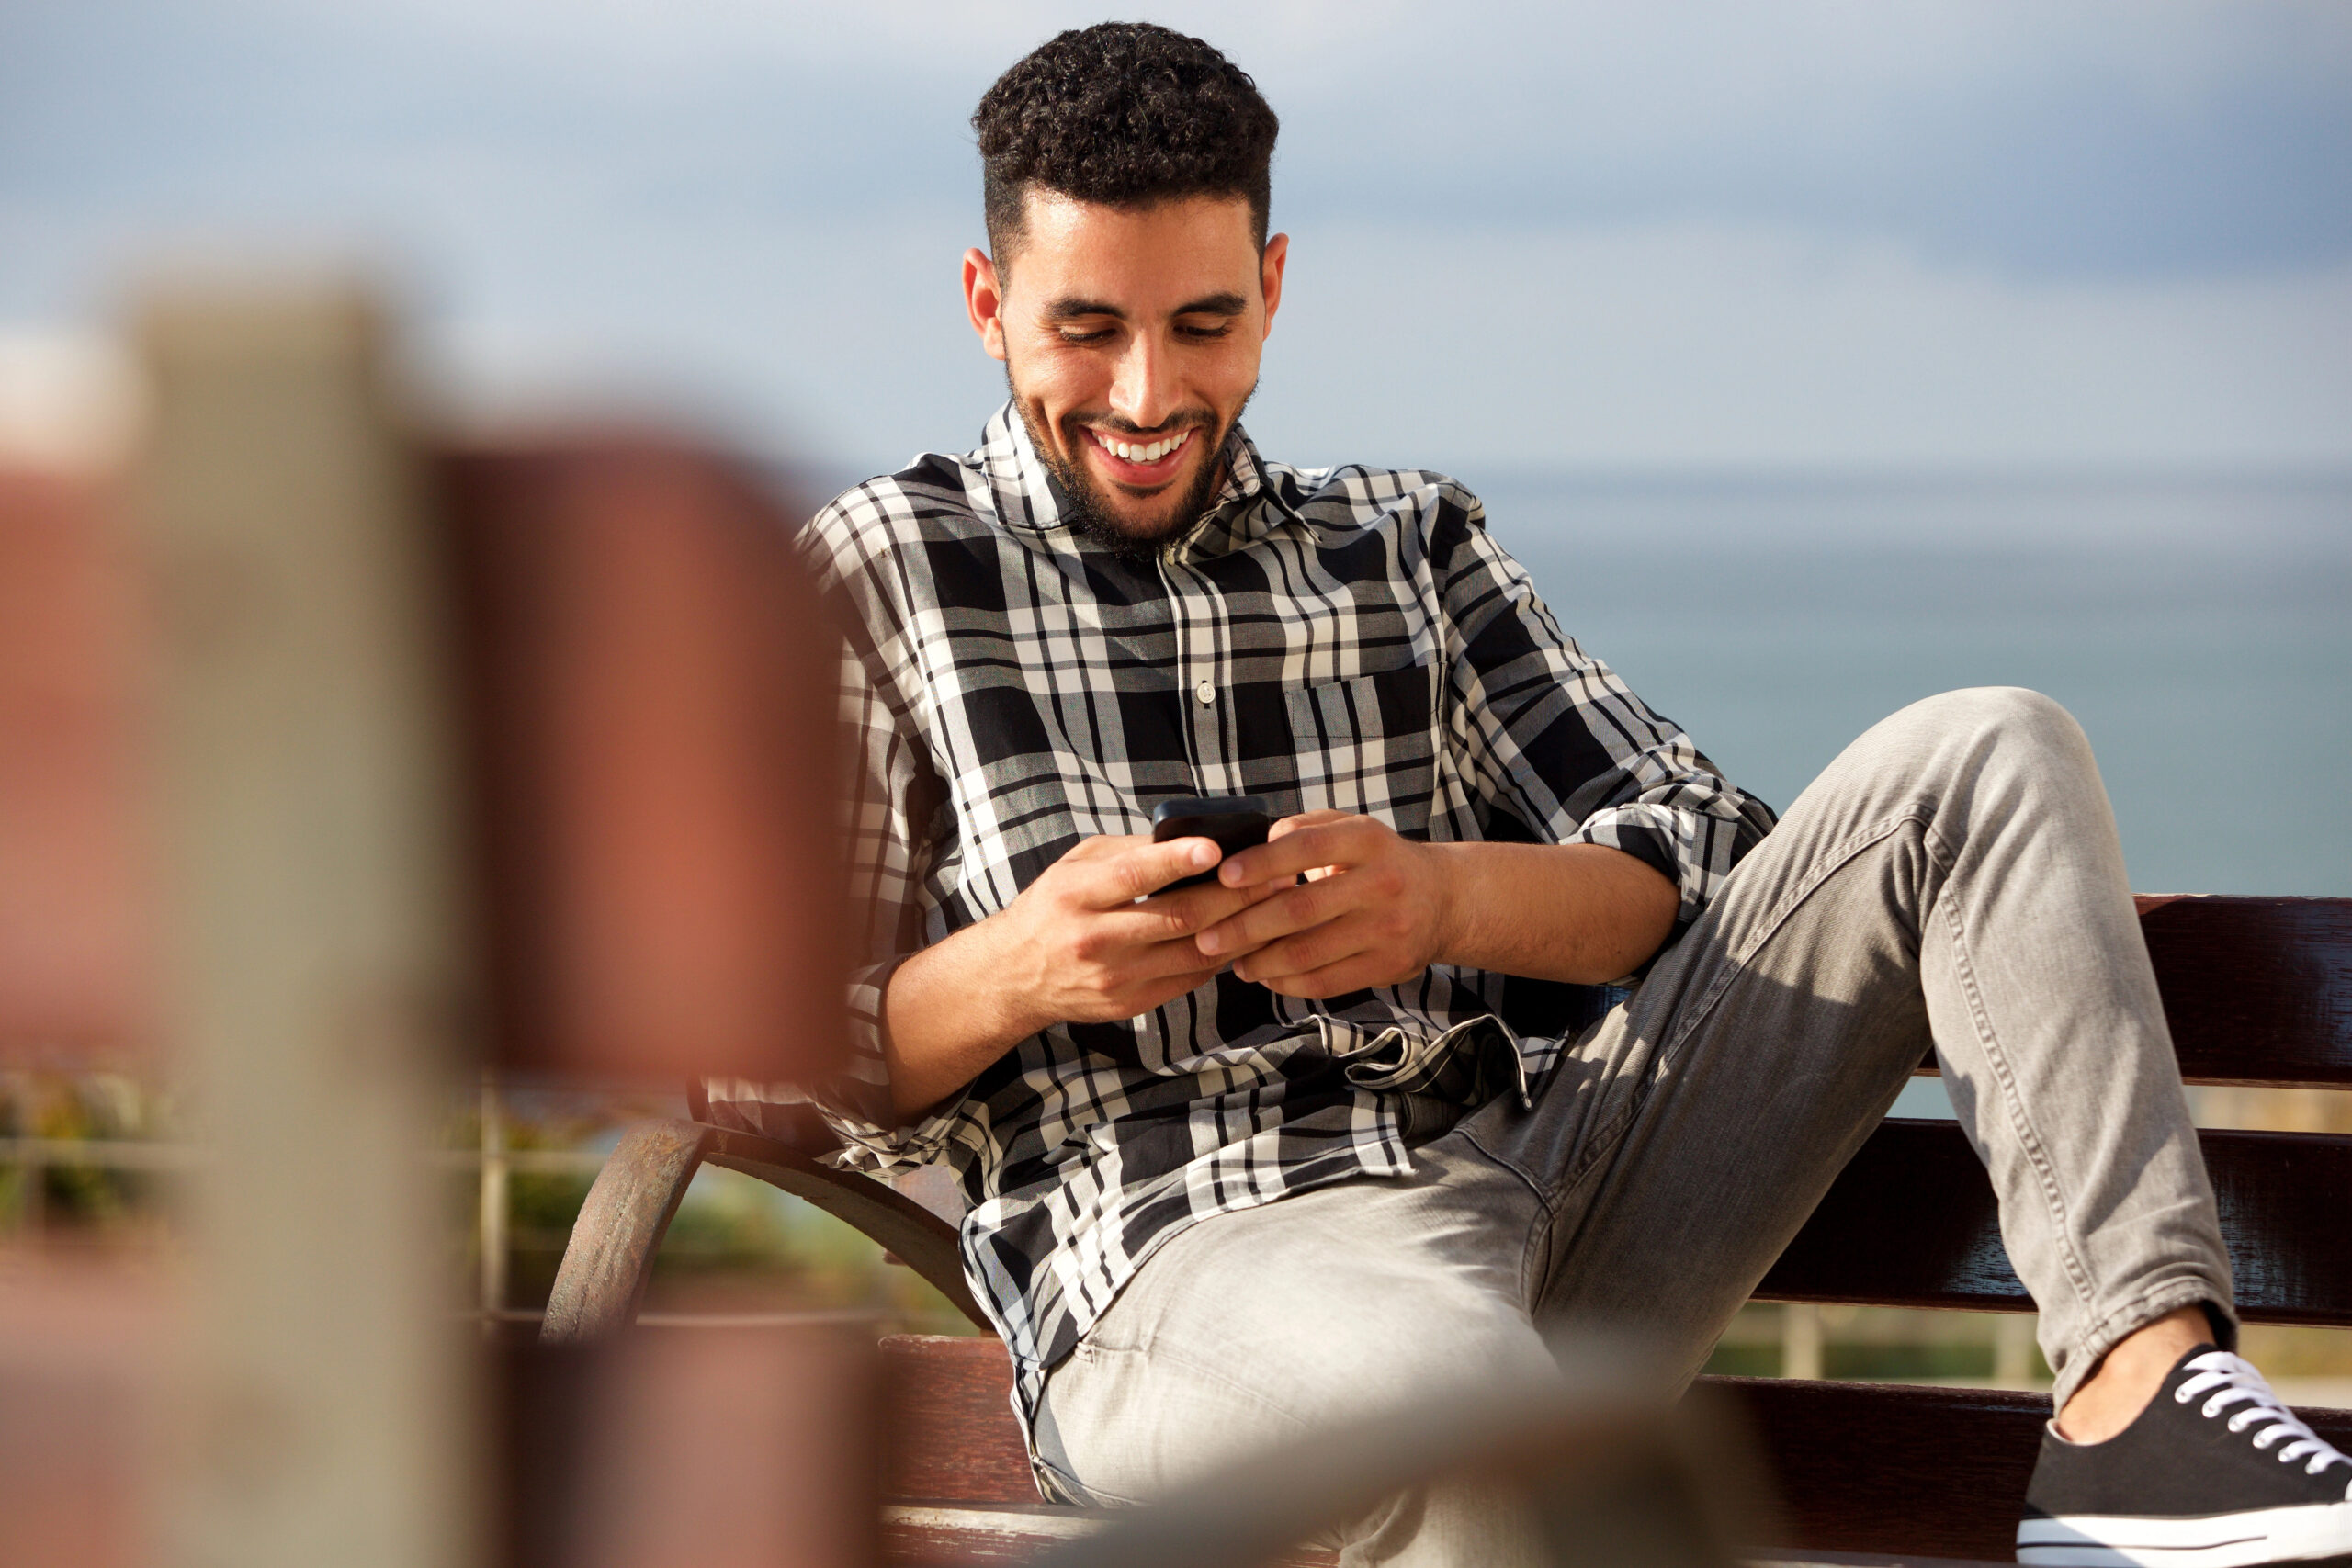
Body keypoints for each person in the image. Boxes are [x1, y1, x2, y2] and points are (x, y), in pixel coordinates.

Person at [706, 22, 2352, 1567]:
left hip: (1547, 1182)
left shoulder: (1406, 543)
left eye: (1202, 324)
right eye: (1088, 328)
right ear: (989, 303)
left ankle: (2137, 1410)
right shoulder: (884, 573)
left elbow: (1706, 854)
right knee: (1470, 1419)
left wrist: (1436, 896)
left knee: (1985, 754)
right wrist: (1024, 967)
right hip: (1191, 1262)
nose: (1147, 395)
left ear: (1271, 293)